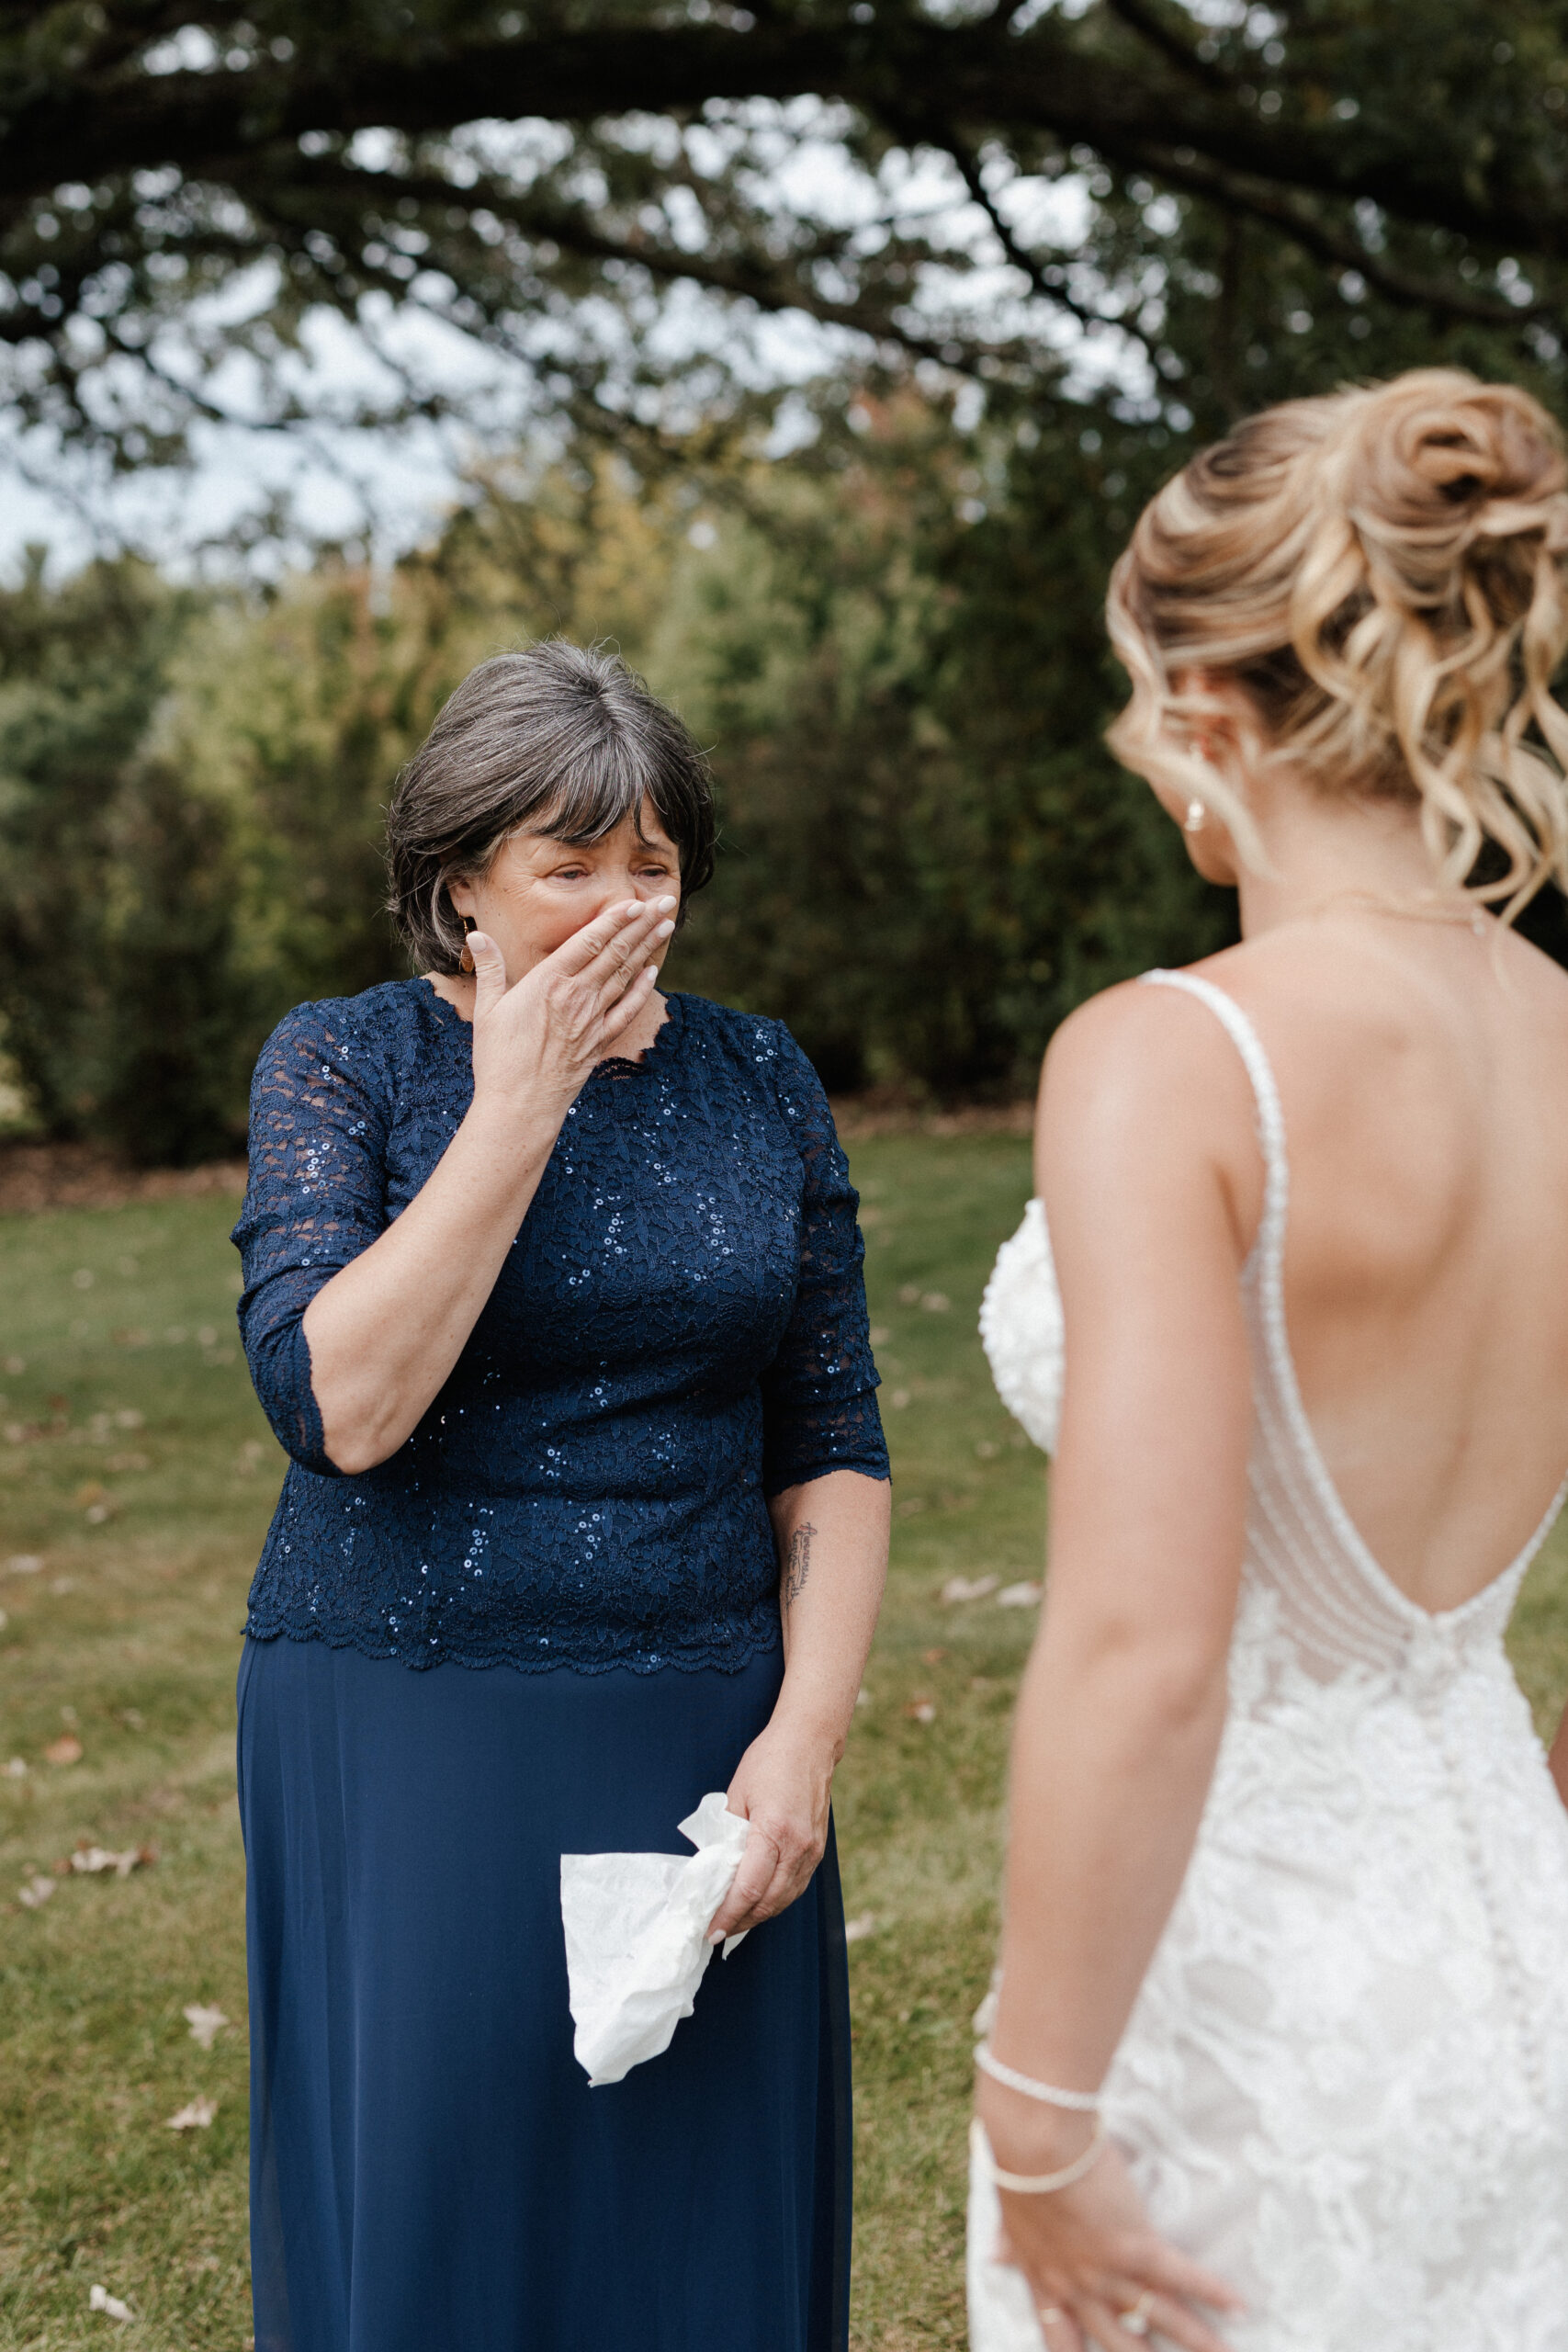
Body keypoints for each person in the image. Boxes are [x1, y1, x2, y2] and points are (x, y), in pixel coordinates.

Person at [969, 369, 1568, 2352]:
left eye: (1137, 712)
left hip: (1228, 1989)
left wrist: (1041, 2121)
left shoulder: (1169, 1057)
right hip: (1512, 1933)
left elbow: (1142, 1652)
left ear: (1213, 714)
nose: (1142, 760)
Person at [231, 640, 891, 2352]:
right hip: (411, 1711)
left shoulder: (759, 1079)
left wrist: (801, 1739)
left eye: (652, 865)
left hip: (704, 1722)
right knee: (454, 2204)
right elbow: (344, 1407)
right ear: (463, 886)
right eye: (569, 862)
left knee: (692, 2219)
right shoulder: (345, 1066)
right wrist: (519, 1098)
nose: (620, 901)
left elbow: (832, 1437)